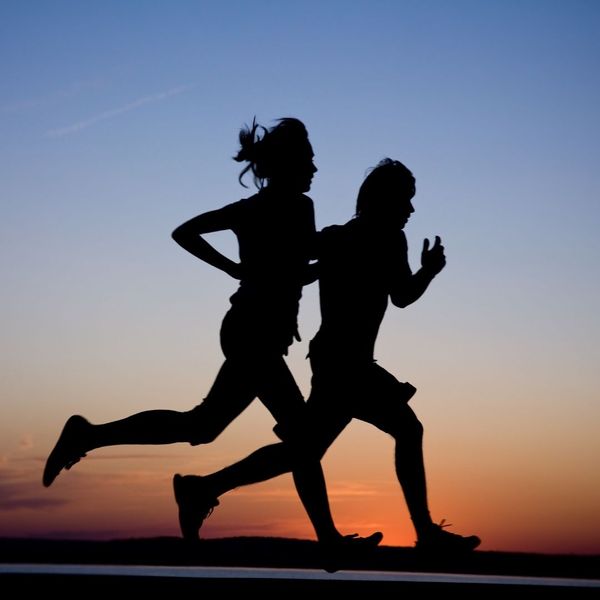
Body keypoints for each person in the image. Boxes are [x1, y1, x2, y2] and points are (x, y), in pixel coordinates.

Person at [42, 117, 379, 553]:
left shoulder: (254, 210)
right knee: (303, 439)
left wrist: (248, 269)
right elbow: (292, 259)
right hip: (253, 334)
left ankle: (94, 438)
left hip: (253, 332)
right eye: (310, 159)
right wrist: (338, 245)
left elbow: (283, 264)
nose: (315, 168)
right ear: (291, 163)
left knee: (202, 426)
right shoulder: (297, 206)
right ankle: (326, 541)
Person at [174, 158, 481, 553]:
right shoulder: (347, 239)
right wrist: (250, 267)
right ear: (383, 200)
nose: (411, 209)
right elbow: (294, 259)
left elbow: (401, 295)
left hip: (343, 363)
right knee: (404, 430)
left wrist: (428, 271)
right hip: (343, 365)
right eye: (406, 200)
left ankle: (203, 488)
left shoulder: (364, 239)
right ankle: (425, 533)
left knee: (303, 451)